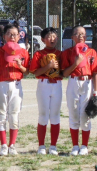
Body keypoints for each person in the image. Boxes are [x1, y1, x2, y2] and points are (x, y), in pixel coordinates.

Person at [0, 23, 30, 156]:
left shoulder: (23, 52)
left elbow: (27, 72)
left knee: (14, 115)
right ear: (4, 36)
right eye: (9, 34)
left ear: (19, 37)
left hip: (16, 83)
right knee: (1, 115)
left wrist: (20, 66)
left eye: (15, 34)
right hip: (1, 84)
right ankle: (3, 145)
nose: (12, 36)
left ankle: (12, 145)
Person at [61, 25, 97, 156]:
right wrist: (76, 63)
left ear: (86, 36)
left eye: (83, 34)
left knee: (85, 116)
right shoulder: (68, 52)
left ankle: (84, 145)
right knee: (73, 114)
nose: (80, 36)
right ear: (72, 37)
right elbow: (64, 73)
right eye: (77, 34)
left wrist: (96, 92)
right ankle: (75, 146)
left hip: (87, 83)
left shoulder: (91, 52)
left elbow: (95, 73)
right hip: (73, 81)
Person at [30, 27, 62, 156]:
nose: (52, 39)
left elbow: (64, 72)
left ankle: (53, 146)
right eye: (49, 36)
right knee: (43, 115)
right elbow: (35, 73)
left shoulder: (60, 54)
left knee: (55, 115)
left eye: (54, 36)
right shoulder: (39, 54)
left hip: (57, 85)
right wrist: (48, 67)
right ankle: (41, 146)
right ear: (43, 39)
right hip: (43, 84)